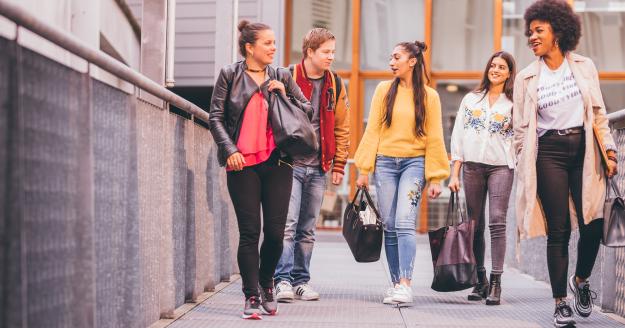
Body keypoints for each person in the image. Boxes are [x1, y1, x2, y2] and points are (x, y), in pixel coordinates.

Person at [513, 1, 618, 327]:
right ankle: (560, 302)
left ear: (558, 32)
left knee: (592, 225)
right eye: (530, 32)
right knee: (558, 230)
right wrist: (522, 160)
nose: (532, 37)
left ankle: (581, 280)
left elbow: (599, 115)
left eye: (538, 31)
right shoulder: (527, 77)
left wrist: (610, 151)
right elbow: (520, 128)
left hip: (585, 151)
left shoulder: (584, 66)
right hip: (548, 154)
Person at [208, 20, 312, 320]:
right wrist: (230, 151)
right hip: (242, 165)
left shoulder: (281, 75)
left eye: (274, 43)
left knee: (277, 234)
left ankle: (267, 281)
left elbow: (308, 111)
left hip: (278, 162)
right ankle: (251, 295)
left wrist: (287, 94)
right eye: (267, 43)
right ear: (250, 47)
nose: (273, 48)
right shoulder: (230, 74)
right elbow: (215, 117)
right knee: (250, 232)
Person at [354, 41, 450, 305]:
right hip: (385, 163)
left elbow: (435, 138)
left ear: (412, 61)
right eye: (391, 57)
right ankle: (396, 283)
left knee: (405, 221)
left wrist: (437, 176)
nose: (391, 62)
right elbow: (372, 129)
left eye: (397, 57)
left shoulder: (430, 96)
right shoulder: (384, 90)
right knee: (390, 225)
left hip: (414, 164)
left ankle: (406, 283)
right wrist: (363, 169)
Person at [274, 28, 350, 302]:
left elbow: (342, 127)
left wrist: (339, 164)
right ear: (309, 51)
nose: (331, 56)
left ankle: (300, 281)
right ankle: (280, 279)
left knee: (307, 228)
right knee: (287, 225)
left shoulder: (336, 84)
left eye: (333, 51)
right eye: (326, 52)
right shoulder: (286, 76)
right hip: (289, 163)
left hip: (319, 166)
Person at [449, 51, 516, 306]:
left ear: (510, 73)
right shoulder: (471, 99)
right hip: (472, 167)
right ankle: (480, 280)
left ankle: (496, 281)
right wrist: (454, 172)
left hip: (501, 167)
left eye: (502, 67)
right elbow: (458, 136)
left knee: (497, 221)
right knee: (474, 224)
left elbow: (521, 137)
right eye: (493, 65)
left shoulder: (514, 103)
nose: (496, 69)